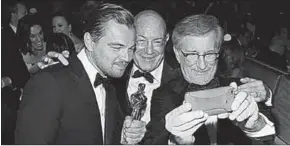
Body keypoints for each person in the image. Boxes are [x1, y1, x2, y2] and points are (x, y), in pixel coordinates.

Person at [15, 3, 135, 144]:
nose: (127, 58)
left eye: (131, 49)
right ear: (89, 42)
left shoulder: (112, 83)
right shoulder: (49, 83)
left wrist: (123, 138)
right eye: (117, 47)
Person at [150, 14, 275, 144]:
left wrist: (255, 126)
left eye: (209, 54)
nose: (202, 65)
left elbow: (269, 139)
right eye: (192, 55)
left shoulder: (238, 88)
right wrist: (176, 141)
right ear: (177, 54)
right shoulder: (162, 96)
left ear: (218, 52)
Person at [112, 10, 176, 144]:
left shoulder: (181, 79)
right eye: (141, 41)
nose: (149, 51)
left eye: (157, 42)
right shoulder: (112, 74)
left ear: (167, 39)